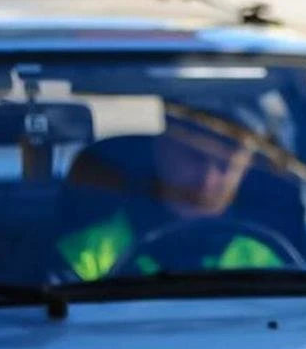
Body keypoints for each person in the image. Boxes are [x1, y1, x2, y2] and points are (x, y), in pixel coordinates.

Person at [55, 103, 285, 281]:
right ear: (163, 148)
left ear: (246, 168)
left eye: (225, 165)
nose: (208, 179)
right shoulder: (89, 253)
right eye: (195, 157)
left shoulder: (272, 263)